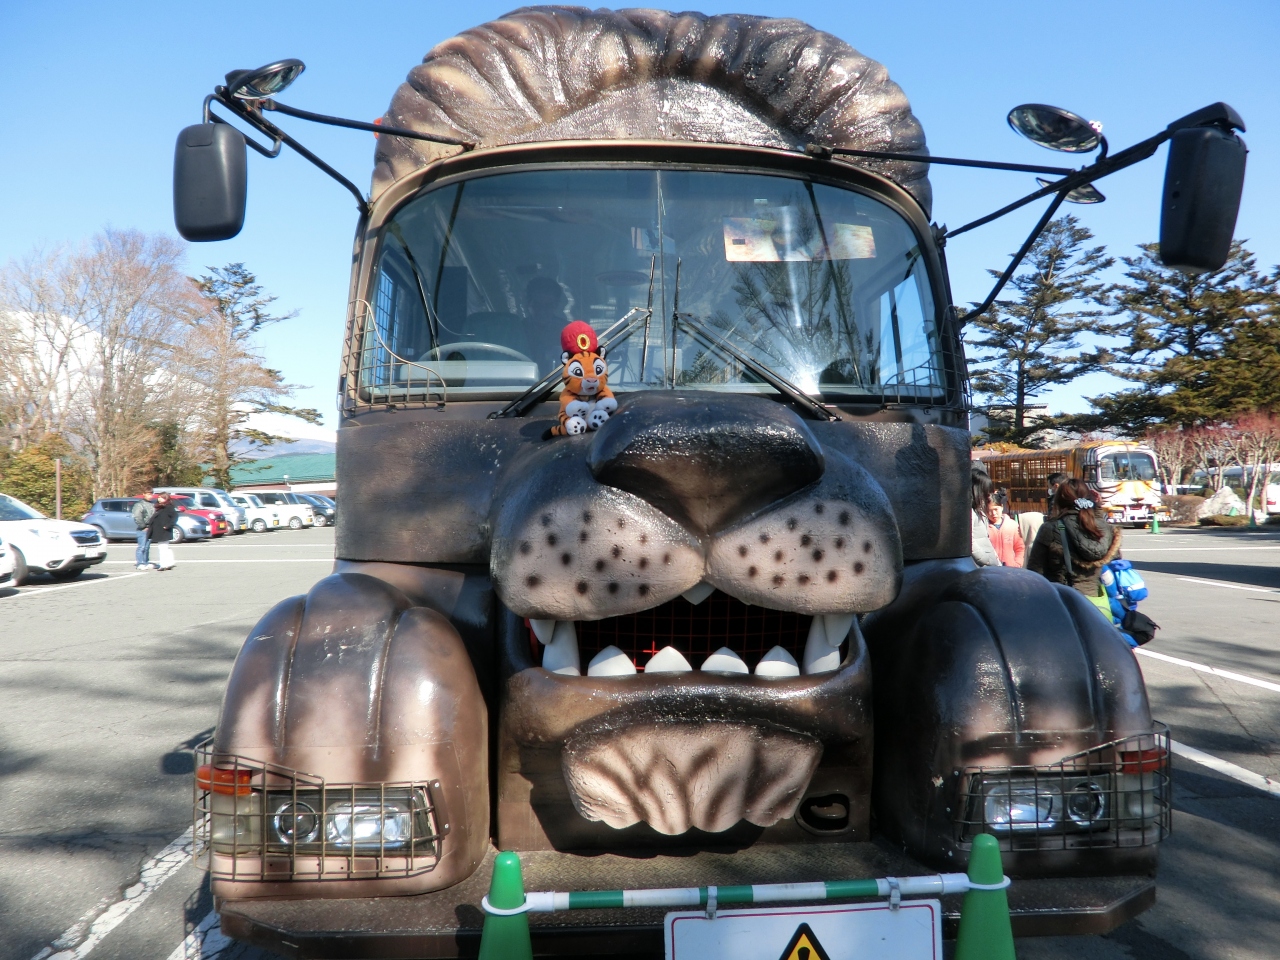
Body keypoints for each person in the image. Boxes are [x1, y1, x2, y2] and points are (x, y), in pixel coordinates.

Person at [1027, 478, 1122, 603]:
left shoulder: (1051, 528)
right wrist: (1097, 510)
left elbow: (1035, 572)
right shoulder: (1106, 528)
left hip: (1062, 603)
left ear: (1059, 501)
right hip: (1097, 604)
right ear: (1088, 500)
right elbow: (1114, 560)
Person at [970, 462, 1000, 567]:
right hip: (981, 565)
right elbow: (970, 542)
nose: (988, 497)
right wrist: (987, 560)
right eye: (986, 493)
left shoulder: (979, 511)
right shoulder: (971, 513)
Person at [987, 493, 1025, 567]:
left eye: (996, 509)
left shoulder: (1012, 525)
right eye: (989, 510)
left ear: (1001, 507)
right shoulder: (984, 527)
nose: (993, 513)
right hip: (991, 570)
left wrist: (1017, 563)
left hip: (1011, 569)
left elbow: (1020, 547)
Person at [147, 492, 179, 571]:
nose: (159, 499)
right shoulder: (159, 507)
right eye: (159, 497)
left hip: (164, 530)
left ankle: (163, 564)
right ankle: (169, 563)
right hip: (159, 530)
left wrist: (168, 525)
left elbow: (175, 517)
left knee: (162, 548)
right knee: (165, 548)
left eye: (161, 497)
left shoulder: (168, 507)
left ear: (166, 498)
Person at [131, 493, 156, 571]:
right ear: (144, 494)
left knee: (147, 547)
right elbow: (137, 516)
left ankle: (146, 562)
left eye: (151, 494)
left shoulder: (152, 504)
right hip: (143, 529)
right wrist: (143, 526)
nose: (150, 496)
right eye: (148, 494)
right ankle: (140, 563)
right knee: (141, 547)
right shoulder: (139, 505)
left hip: (150, 528)